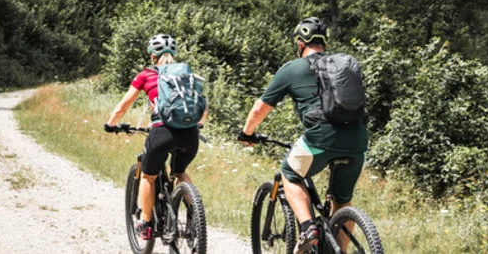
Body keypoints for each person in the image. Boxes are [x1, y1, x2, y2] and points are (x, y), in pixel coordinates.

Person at [237, 17, 368, 252]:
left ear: (300, 44)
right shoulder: (343, 66)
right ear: (323, 43)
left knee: (289, 173)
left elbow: (259, 109)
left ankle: (308, 228)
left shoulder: (292, 68)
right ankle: (339, 249)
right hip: (357, 140)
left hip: (320, 138)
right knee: (342, 199)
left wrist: (247, 133)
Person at [103, 33, 205, 243]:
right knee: (179, 172)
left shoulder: (145, 75)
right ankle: (197, 219)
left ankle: (147, 224)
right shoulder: (187, 74)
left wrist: (111, 124)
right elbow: (203, 104)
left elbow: (124, 105)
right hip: (190, 134)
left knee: (148, 177)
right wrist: (197, 123)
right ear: (173, 54)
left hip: (162, 132)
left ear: (152, 56)